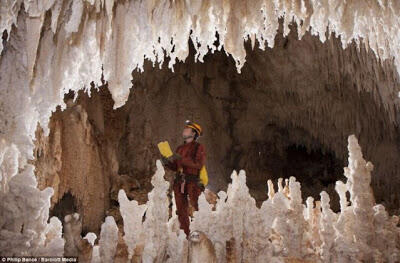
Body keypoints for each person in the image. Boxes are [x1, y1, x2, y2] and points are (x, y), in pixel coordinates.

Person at [161, 120, 206, 236]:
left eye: (187, 129)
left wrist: (181, 158)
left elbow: (198, 164)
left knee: (197, 207)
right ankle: (186, 235)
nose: (184, 130)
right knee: (181, 210)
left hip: (193, 182)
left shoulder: (198, 147)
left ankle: (202, 233)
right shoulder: (180, 148)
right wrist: (167, 162)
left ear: (194, 133)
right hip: (179, 181)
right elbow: (176, 167)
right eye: (184, 128)